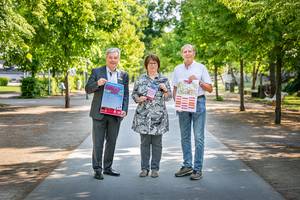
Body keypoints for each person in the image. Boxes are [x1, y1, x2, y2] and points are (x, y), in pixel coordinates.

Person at [85, 47, 129, 180]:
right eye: (110, 57)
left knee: (112, 142)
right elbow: (87, 89)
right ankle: (97, 169)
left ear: (118, 59)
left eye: (115, 58)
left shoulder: (123, 75)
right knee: (98, 142)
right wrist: (97, 83)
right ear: (106, 58)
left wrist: (124, 110)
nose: (113, 60)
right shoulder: (97, 71)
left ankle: (108, 168)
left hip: (115, 114)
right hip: (99, 113)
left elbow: (125, 94)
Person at [172, 44, 213, 180]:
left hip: (198, 102)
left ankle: (197, 169)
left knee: (198, 137)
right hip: (183, 104)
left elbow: (210, 89)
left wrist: (199, 81)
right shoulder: (177, 69)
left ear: (194, 53)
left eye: (190, 51)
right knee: (185, 137)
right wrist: (177, 103)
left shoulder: (201, 68)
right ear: (182, 54)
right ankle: (187, 166)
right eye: (185, 51)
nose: (187, 53)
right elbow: (175, 89)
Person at [132, 54, 172, 178]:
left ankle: (155, 169)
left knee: (157, 144)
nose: (152, 65)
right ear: (146, 65)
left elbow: (169, 97)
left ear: (158, 65)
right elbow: (134, 94)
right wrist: (139, 99)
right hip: (143, 117)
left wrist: (165, 90)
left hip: (158, 118)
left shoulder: (164, 80)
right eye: (150, 63)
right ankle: (144, 169)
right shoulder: (140, 79)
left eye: (155, 63)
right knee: (144, 144)